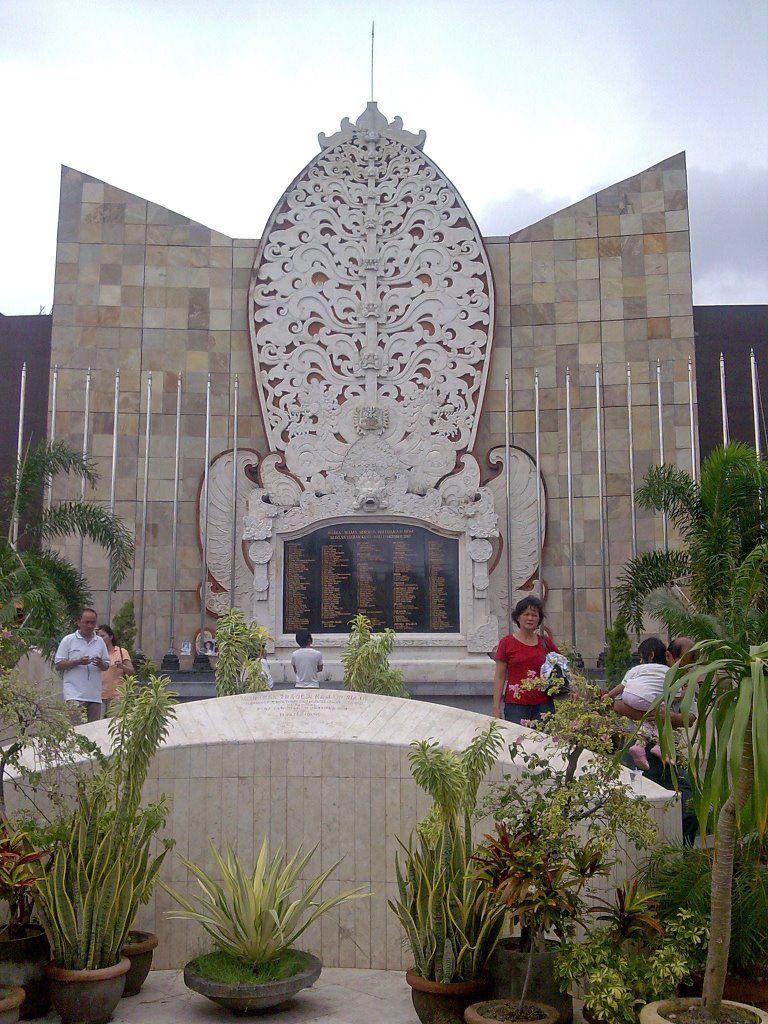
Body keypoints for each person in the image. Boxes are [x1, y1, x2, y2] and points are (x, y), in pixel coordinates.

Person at [492, 596, 560, 725]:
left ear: (539, 619)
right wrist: (496, 707)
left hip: (544, 704)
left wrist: (572, 687)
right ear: (518, 617)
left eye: (534, 615)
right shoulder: (507, 643)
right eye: (526, 614)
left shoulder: (546, 642)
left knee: (543, 742)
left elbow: (562, 667)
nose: (530, 618)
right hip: (516, 706)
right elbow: (499, 676)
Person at [606, 636, 668, 770]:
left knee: (646, 717)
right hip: (646, 698)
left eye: (641, 657)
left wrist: (609, 695)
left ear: (650, 655)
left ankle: (640, 745)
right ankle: (659, 746)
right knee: (660, 713)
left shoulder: (636, 669)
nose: (640, 661)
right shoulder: (667, 671)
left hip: (628, 696)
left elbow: (622, 685)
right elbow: (677, 693)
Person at [54, 608, 110, 725]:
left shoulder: (99, 641)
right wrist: (78, 661)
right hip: (74, 693)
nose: (90, 626)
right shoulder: (68, 640)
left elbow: (106, 665)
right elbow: (59, 665)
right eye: (86, 622)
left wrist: (100, 663)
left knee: (94, 729)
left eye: (93, 622)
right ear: (78, 622)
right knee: (76, 727)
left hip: (94, 695)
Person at [97, 624, 134, 714]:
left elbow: (131, 671)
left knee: (114, 724)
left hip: (117, 696)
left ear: (110, 637)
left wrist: (122, 666)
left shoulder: (121, 652)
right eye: (98, 637)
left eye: (103, 636)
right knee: (97, 724)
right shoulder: (96, 652)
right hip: (98, 696)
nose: (100, 639)